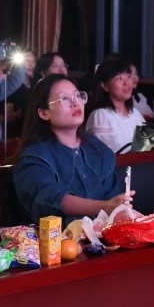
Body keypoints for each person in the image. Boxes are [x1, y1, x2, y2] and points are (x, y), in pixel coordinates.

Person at [13, 75, 132, 223]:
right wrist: (104, 207)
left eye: (77, 96)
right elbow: (49, 199)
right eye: (64, 98)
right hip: (57, 237)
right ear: (44, 113)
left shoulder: (98, 149)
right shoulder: (35, 156)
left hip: (102, 235)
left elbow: (112, 199)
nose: (75, 102)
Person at [85, 57, 146, 153]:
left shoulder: (136, 114)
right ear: (104, 86)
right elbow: (106, 156)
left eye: (128, 76)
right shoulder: (101, 115)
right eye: (119, 78)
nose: (127, 82)